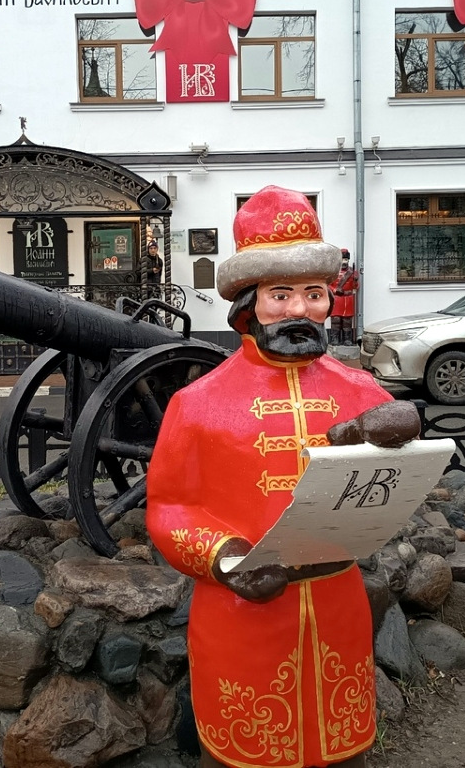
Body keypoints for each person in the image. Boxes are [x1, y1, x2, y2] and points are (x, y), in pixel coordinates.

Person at [147, 186, 421, 768]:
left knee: (343, 751)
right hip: (240, 616)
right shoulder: (197, 404)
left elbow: (399, 454)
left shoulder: (358, 390)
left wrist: (399, 427)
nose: (300, 309)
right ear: (248, 304)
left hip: (337, 605)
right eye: (280, 294)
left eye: (313, 294)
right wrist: (225, 557)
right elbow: (169, 508)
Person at [330, 247, 360, 346]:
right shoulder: (333, 271)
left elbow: (356, 287)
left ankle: (347, 339)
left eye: (346, 259)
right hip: (337, 299)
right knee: (336, 320)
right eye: (342, 259)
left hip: (348, 300)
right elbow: (328, 285)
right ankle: (335, 339)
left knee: (347, 321)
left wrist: (355, 280)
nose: (344, 261)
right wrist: (335, 290)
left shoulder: (352, 272)